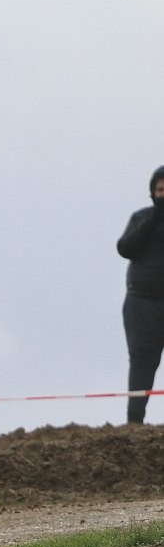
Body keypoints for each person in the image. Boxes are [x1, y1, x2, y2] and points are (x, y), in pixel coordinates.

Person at [118, 165, 164, 424]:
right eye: (160, 190)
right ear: (152, 193)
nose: (163, 195)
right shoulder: (141, 218)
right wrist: (154, 220)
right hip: (142, 302)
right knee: (142, 361)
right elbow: (125, 248)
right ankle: (134, 422)